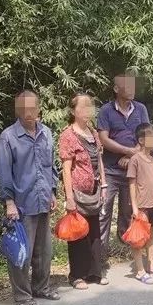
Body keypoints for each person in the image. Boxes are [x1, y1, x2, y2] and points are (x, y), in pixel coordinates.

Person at [0, 90, 61, 305]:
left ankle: (41, 287)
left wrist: (52, 191)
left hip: (43, 198)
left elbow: (50, 166)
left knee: (44, 249)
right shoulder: (8, 137)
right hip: (22, 203)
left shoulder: (47, 133)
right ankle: (22, 295)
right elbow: (3, 171)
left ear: (39, 107)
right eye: (23, 109)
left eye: (32, 108)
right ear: (17, 110)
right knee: (23, 250)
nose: (28, 113)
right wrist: (9, 202)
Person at [98, 73, 150, 261]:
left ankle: (128, 248)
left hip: (133, 171)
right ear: (116, 89)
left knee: (129, 211)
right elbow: (103, 139)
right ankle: (101, 255)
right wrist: (128, 151)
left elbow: (147, 136)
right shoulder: (105, 111)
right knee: (104, 212)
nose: (132, 89)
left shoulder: (141, 109)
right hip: (110, 171)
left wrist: (132, 155)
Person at [59, 94, 108, 289]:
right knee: (78, 233)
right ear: (73, 111)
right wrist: (69, 197)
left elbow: (100, 160)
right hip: (78, 192)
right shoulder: (68, 136)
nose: (88, 111)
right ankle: (77, 275)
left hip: (94, 190)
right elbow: (66, 168)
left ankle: (95, 273)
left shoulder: (93, 132)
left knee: (95, 232)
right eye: (84, 107)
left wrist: (104, 185)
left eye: (90, 107)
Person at [126, 123, 153, 284]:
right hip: (141, 205)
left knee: (151, 235)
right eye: (151, 136)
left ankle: (151, 265)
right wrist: (135, 207)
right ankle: (140, 270)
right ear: (141, 140)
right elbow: (132, 184)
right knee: (138, 238)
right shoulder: (135, 159)